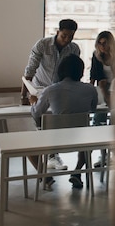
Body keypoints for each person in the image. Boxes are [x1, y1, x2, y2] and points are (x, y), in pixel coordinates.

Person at [29, 55, 98, 190]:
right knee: (87, 139)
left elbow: (36, 114)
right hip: (81, 139)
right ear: (80, 71)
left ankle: (45, 177)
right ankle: (77, 172)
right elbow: (92, 109)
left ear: (60, 71)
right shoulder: (90, 89)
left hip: (54, 141)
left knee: (27, 148)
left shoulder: (50, 90)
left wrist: (33, 102)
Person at [22, 18, 81, 171]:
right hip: (40, 89)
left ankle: (53, 156)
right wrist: (23, 95)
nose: (67, 40)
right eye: (64, 36)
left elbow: (74, 71)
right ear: (57, 32)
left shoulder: (74, 49)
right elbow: (30, 71)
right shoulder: (43, 44)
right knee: (41, 123)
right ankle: (48, 156)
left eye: (71, 36)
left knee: (56, 123)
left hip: (60, 91)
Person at [90, 31, 115, 108]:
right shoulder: (96, 55)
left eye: (104, 43)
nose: (102, 46)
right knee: (101, 111)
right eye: (99, 43)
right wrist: (90, 89)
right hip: (103, 86)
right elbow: (93, 73)